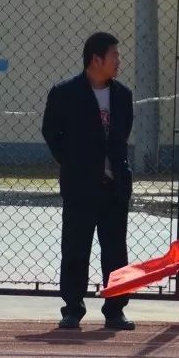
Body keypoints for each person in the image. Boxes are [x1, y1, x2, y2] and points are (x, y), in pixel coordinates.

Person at [42, 32, 135, 330]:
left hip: (113, 188)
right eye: (114, 56)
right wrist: (72, 163)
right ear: (96, 59)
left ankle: (115, 309)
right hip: (80, 187)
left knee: (115, 251)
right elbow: (51, 132)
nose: (118, 61)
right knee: (75, 248)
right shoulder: (65, 93)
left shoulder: (122, 95)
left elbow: (121, 137)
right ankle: (72, 307)